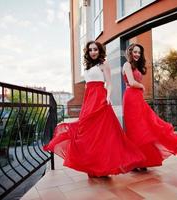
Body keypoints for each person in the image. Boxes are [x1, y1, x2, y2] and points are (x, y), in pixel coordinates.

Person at [43, 41, 145, 177]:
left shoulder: (104, 64)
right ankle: (93, 166)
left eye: (95, 49)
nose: (93, 52)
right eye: (90, 50)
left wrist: (108, 97)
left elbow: (109, 83)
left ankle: (104, 167)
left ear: (99, 50)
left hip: (101, 100)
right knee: (88, 134)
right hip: (89, 101)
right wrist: (85, 105)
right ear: (88, 52)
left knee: (103, 135)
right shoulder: (87, 67)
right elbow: (87, 87)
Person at [122, 43, 177, 171]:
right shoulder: (127, 65)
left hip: (138, 98)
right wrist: (142, 86)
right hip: (131, 98)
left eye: (139, 52)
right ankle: (135, 161)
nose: (137, 54)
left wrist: (139, 88)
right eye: (135, 52)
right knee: (135, 129)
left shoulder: (136, 66)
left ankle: (143, 160)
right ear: (130, 52)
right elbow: (132, 82)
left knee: (144, 127)